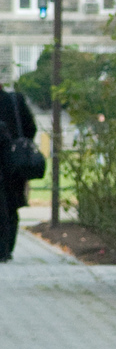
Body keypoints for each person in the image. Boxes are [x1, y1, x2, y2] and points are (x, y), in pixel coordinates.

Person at [0, 82, 40, 261]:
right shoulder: (14, 101)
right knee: (11, 204)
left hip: (10, 162)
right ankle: (6, 249)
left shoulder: (14, 100)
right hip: (13, 161)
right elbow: (31, 127)